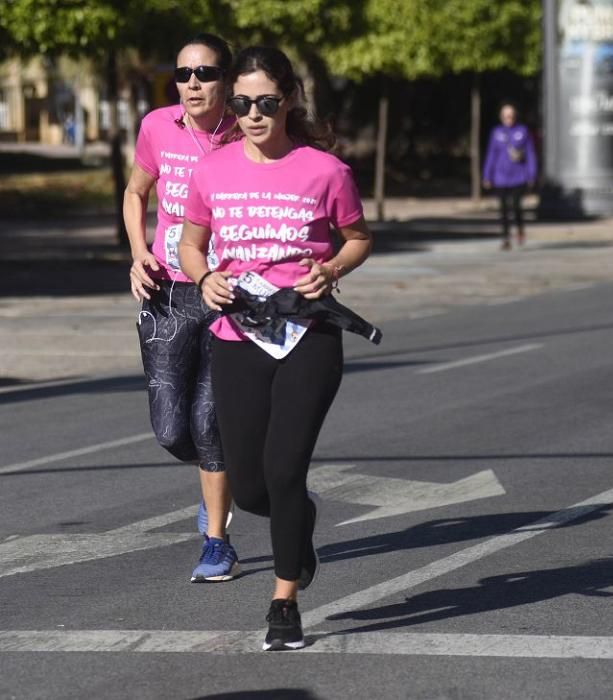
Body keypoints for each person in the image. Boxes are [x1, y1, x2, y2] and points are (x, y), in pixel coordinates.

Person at [178, 46, 373, 651]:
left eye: (266, 102)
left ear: (287, 99)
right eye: (242, 103)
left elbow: (358, 237)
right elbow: (191, 244)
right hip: (237, 336)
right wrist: (203, 277)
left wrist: (333, 267)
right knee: (255, 485)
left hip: (307, 336)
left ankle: (283, 602)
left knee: (286, 470)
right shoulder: (214, 170)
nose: (255, 114)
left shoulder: (324, 170)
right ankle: (300, 522)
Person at [122, 33, 240, 581]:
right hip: (166, 293)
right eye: (184, 73)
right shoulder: (157, 126)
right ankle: (216, 479)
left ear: (228, 79)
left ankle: (216, 539)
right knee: (172, 430)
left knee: (209, 421)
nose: (192, 83)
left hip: (227, 294)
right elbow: (135, 192)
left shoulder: (247, 129)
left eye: (206, 73)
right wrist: (139, 251)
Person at [482, 102, 537, 250]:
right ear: (501, 117)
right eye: (506, 116)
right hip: (500, 177)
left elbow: (531, 154)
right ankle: (505, 237)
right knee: (503, 209)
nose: (509, 118)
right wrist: (487, 175)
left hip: (518, 176)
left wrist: (532, 174)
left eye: (511, 115)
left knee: (516, 206)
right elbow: (491, 154)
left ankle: (520, 229)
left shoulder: (523, 131)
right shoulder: (496, 133)